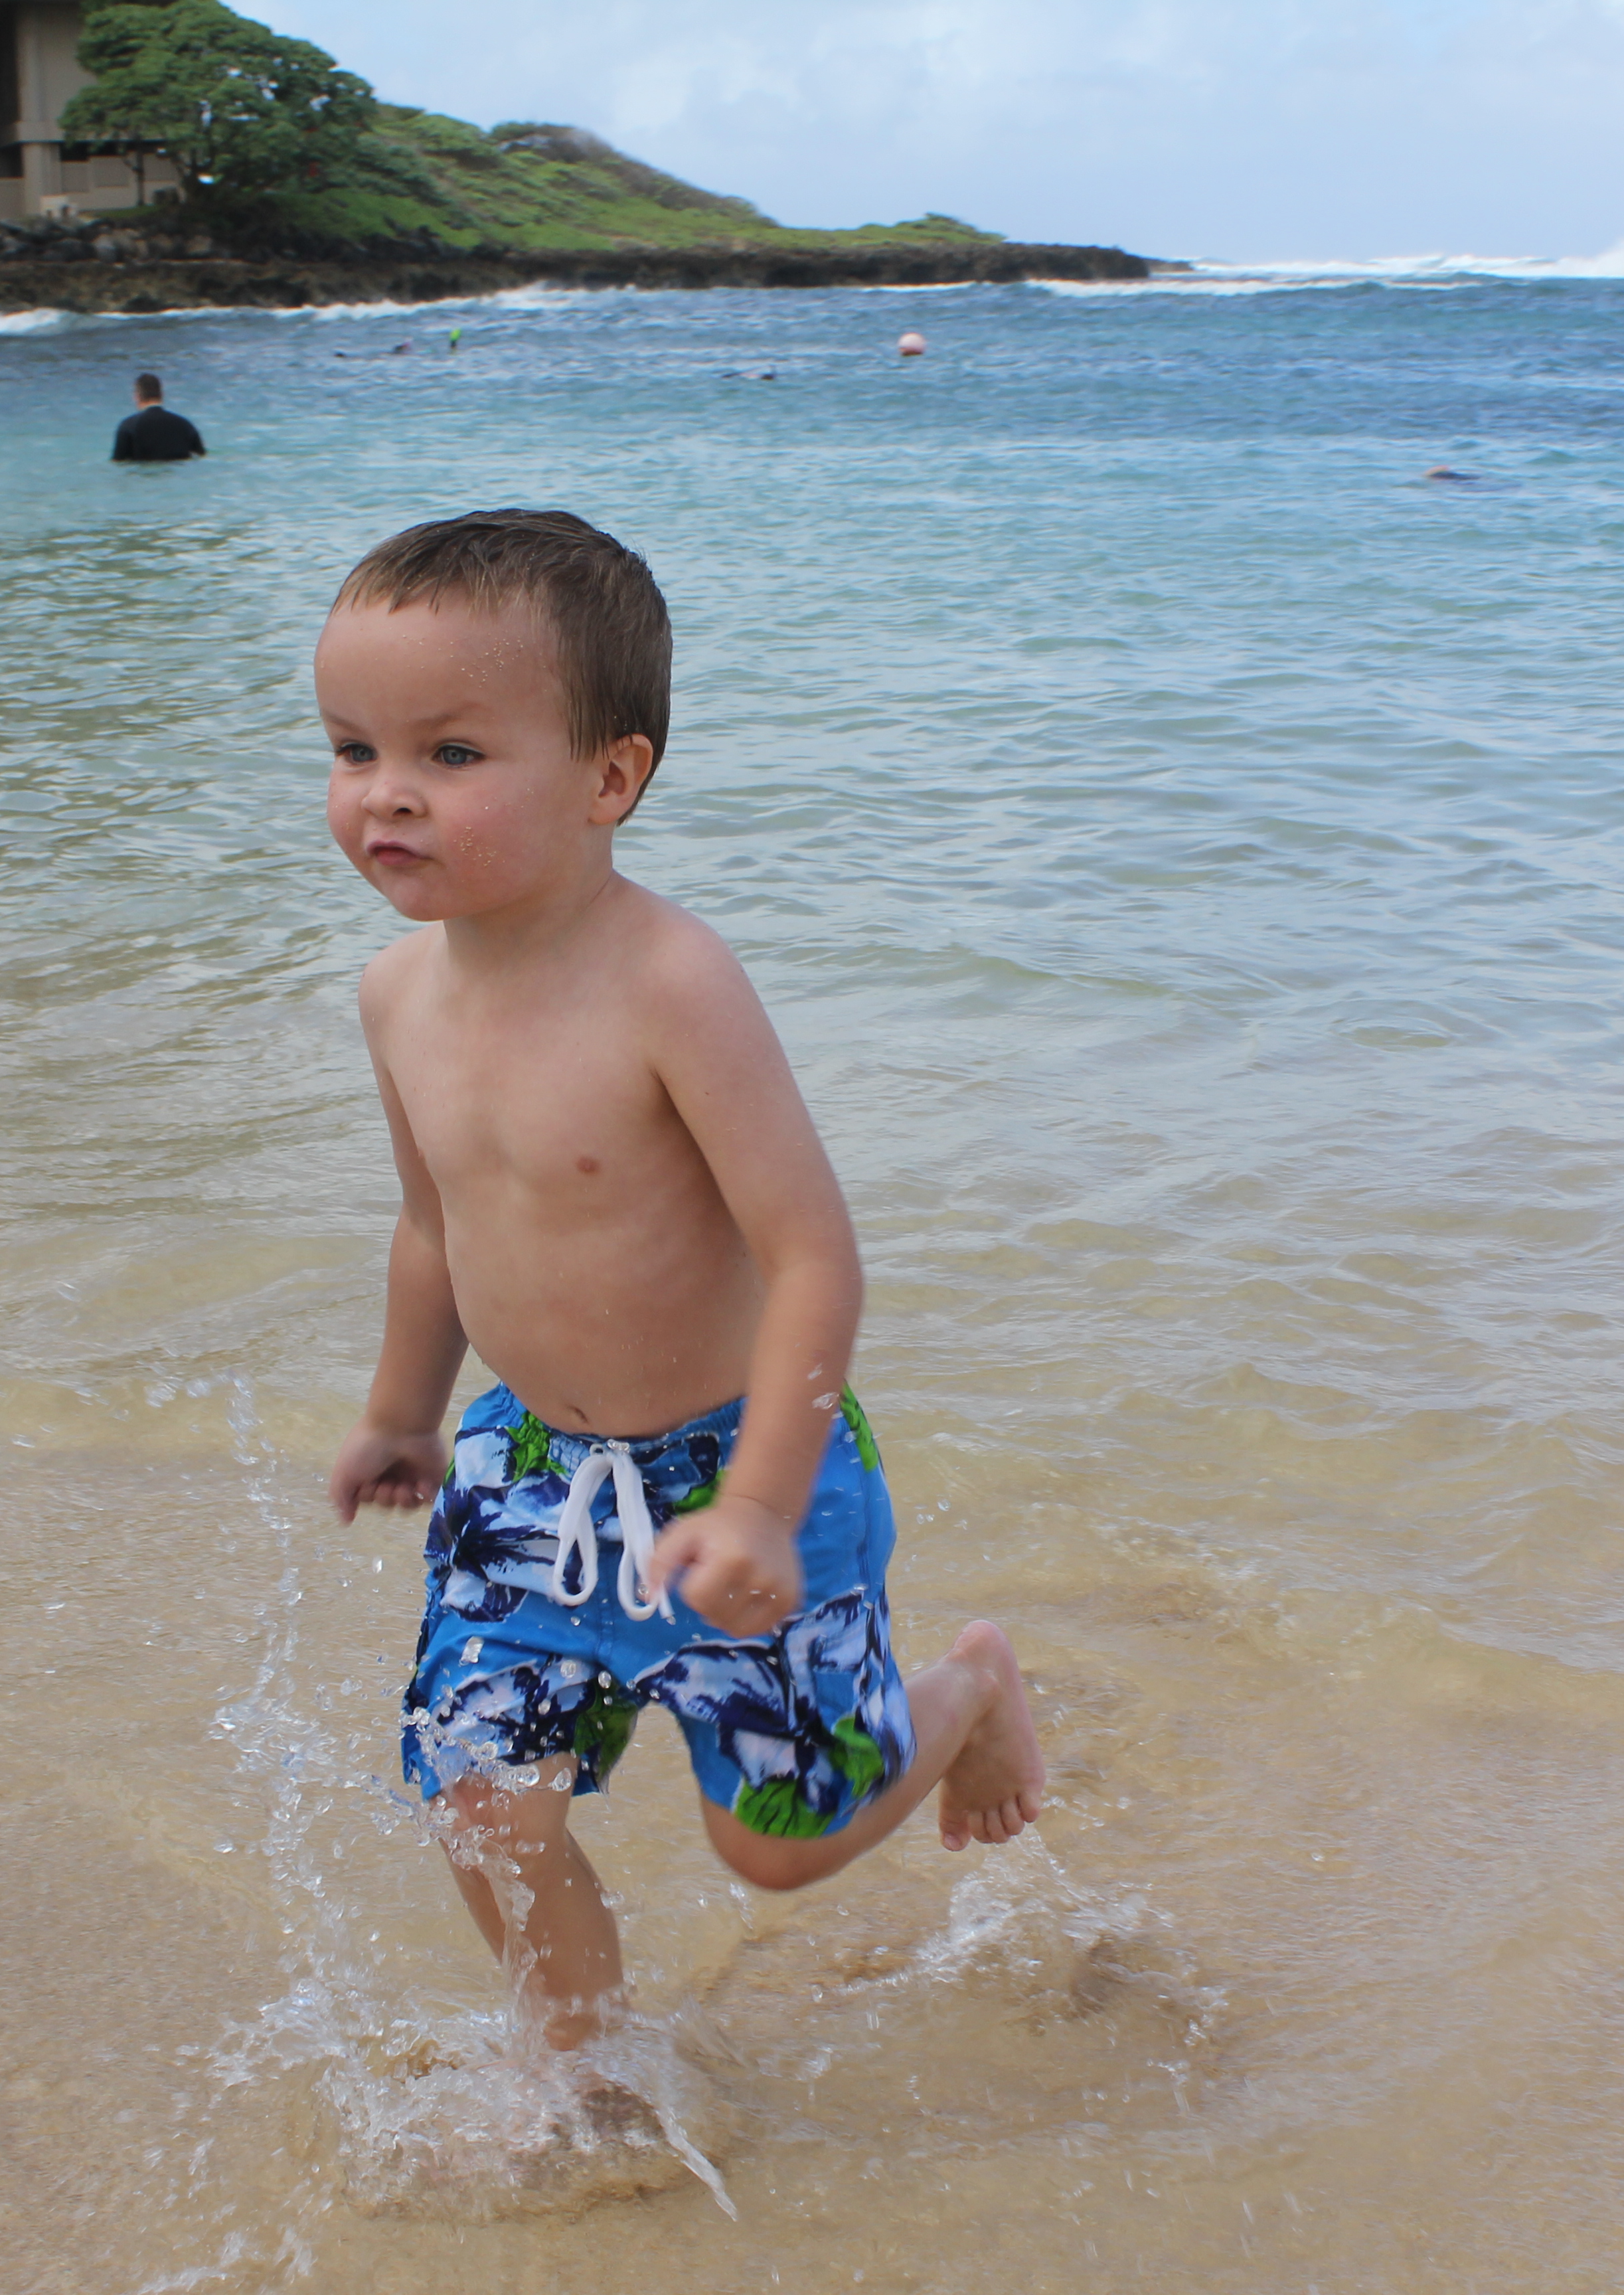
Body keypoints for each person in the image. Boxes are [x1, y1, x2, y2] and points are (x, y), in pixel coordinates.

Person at [318, 509, 1047, 2050]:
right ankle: (586, 2076)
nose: (386, 792)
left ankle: (968, 1691)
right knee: (480, 1799)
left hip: (740, 1467)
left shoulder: (669, 985)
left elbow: (809, 1254)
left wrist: (767, 1503)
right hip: (530, 1473)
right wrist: (402, 1413)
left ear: (609, 779)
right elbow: (433, 1226)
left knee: (773, 1845)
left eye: (451, 753)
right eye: (350, 747)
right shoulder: (395, 997)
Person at [110, 373, 204, 464]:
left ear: (137, 397)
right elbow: (200, 456)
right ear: (161, 395)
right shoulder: (185, 425)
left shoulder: (128, 426)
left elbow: (119, 462)